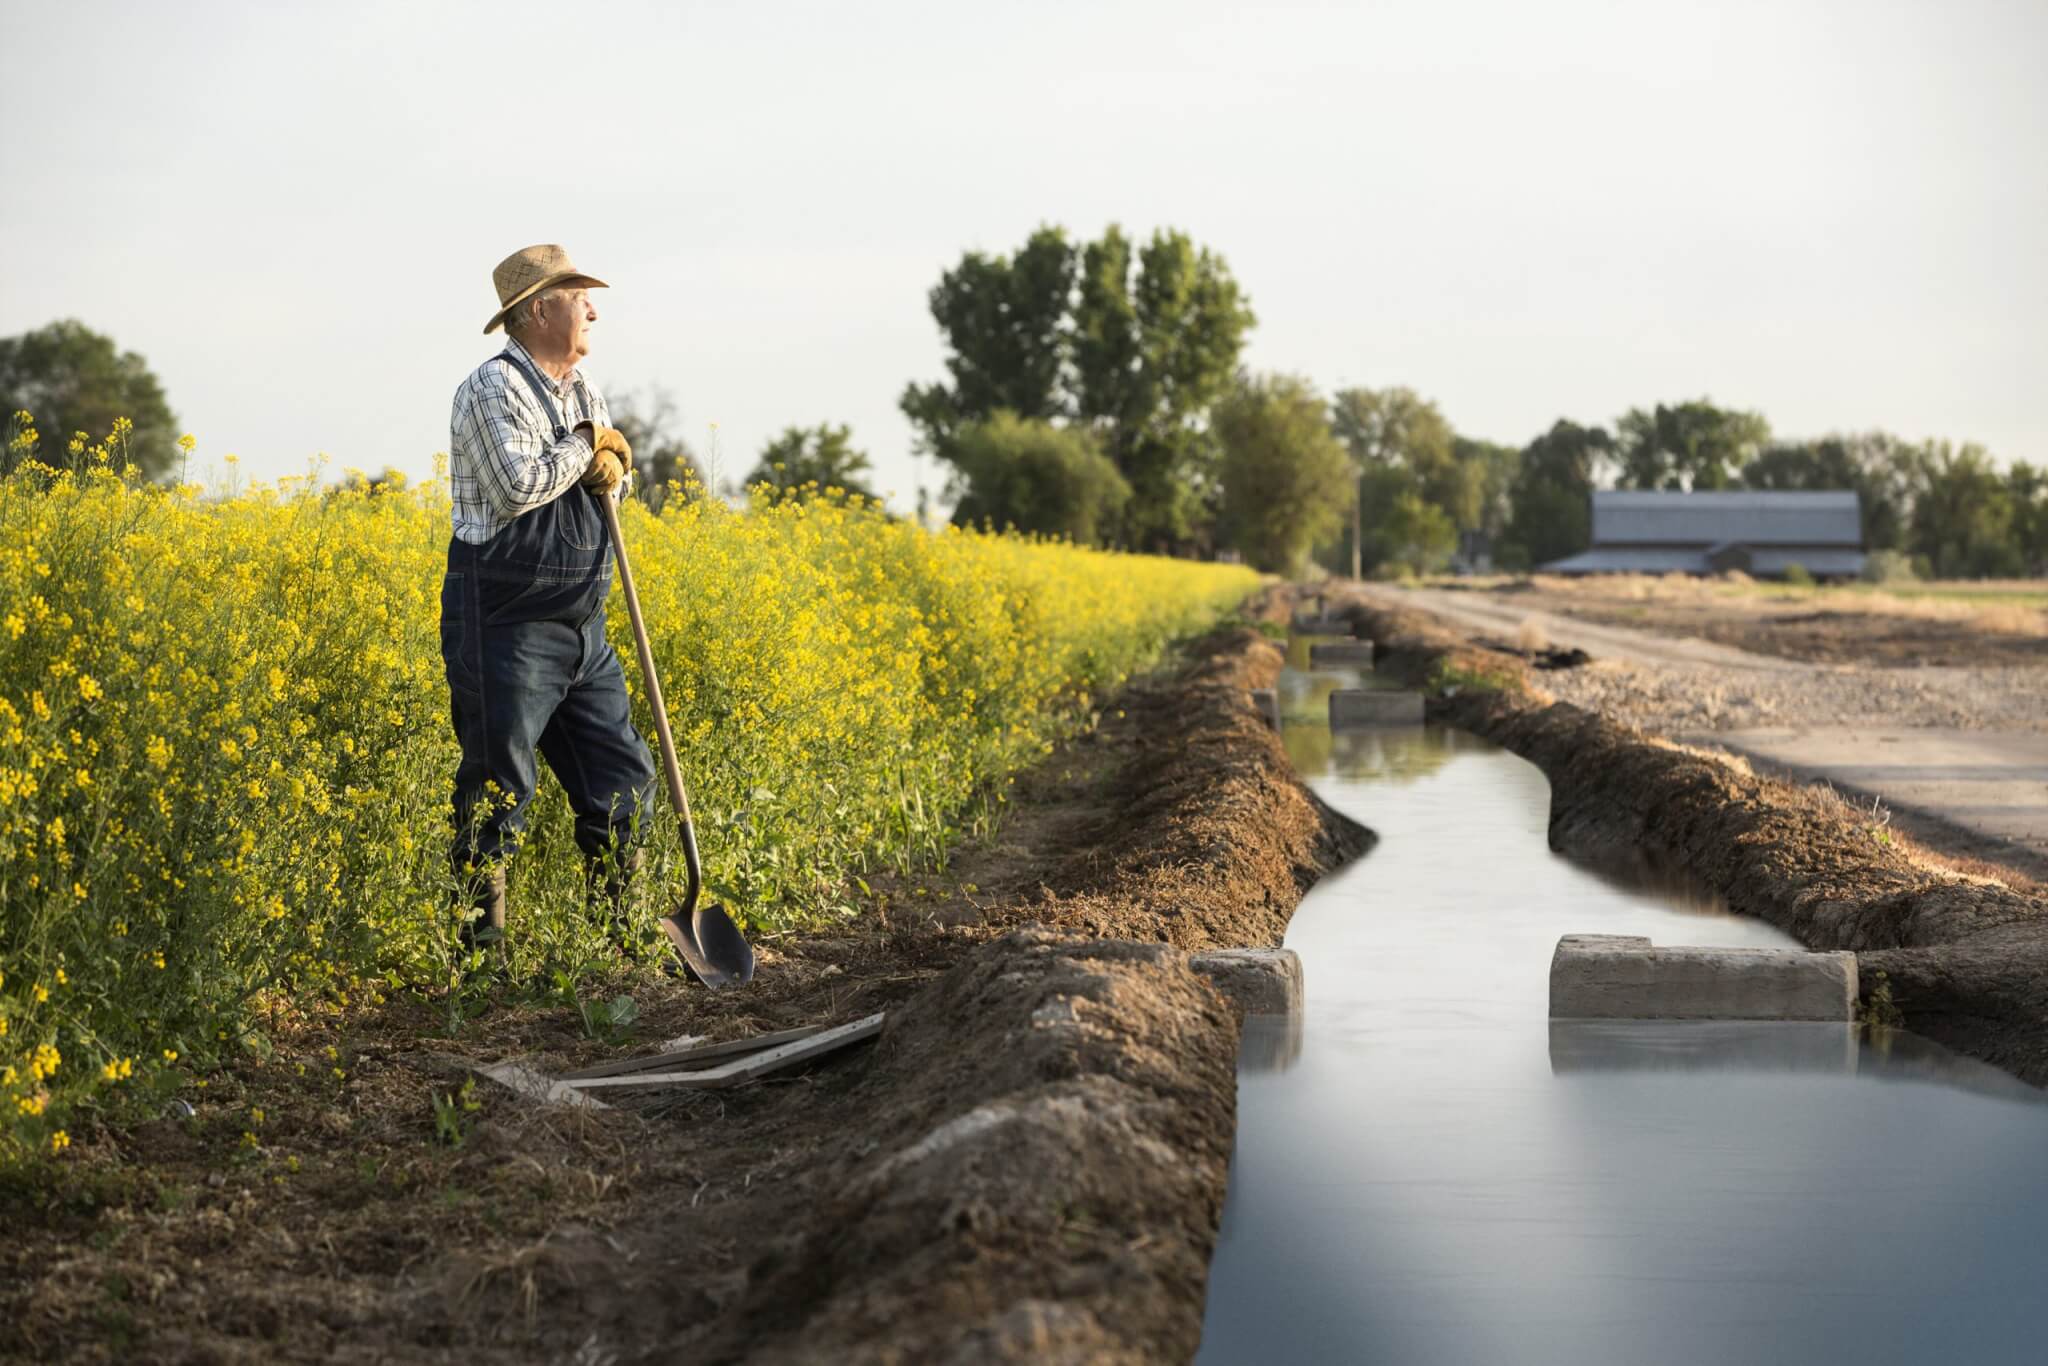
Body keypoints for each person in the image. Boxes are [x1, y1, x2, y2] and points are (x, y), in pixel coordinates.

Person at [441, 244, 658, 965]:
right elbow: (516, 487)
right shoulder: (490, 389)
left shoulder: (582, 390)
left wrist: (612, 467)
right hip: (507, 620)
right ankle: (482, 962)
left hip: (581, 623)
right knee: (499, 791)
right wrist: (587, 446)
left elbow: (602, 486)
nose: (592, 309)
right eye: (577, 296)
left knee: (620, 780)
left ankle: (615, 945)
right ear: (539, 310)